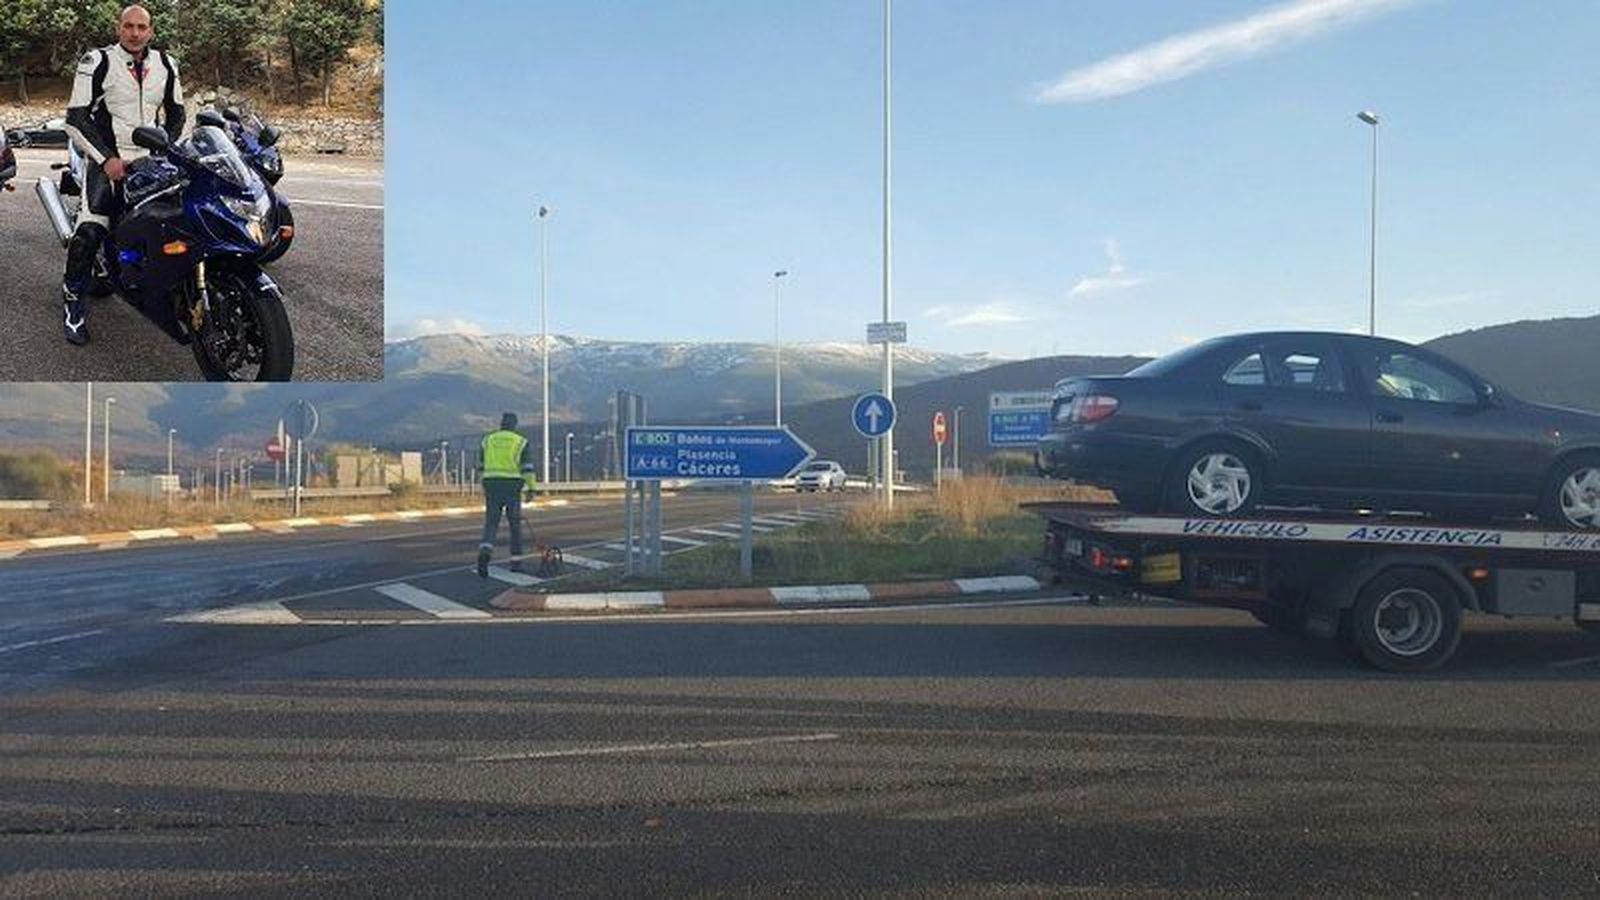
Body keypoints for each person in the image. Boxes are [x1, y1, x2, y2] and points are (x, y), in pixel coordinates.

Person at [61, 4, 186, 346]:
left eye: (141, 27)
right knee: (90, 231)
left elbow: (177, 114)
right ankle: (73, 300)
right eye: (128, 26)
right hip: (107, 160)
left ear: (151, 31)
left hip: (150, 160)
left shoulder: (166, 65)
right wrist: (106, 158)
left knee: (171, 224)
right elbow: (76, 118)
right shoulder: (97, 61)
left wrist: (167, 147)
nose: (134, 33)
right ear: (119, 29)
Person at [478, 412, 537, 577]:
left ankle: (485, 552)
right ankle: (516, 562)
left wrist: (484, 483)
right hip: (512, 487)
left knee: (491, 523)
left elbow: (481, 466)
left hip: (491, 484)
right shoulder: (520, 442)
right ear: (514, 425)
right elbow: (527, 468)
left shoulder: (487, 440)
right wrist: (531, 489)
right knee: (515, 526)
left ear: (501, 423)